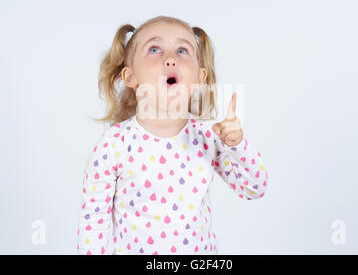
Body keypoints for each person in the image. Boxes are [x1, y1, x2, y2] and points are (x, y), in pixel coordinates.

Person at [76, 15, 268, 255]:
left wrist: (237, 144)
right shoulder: (113, 145)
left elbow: (254, 188)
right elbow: (93, 221)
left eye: (182, 50)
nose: (170, 59)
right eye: (154, 49)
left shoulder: (208, 137)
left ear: (199, 78)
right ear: (130, 77)